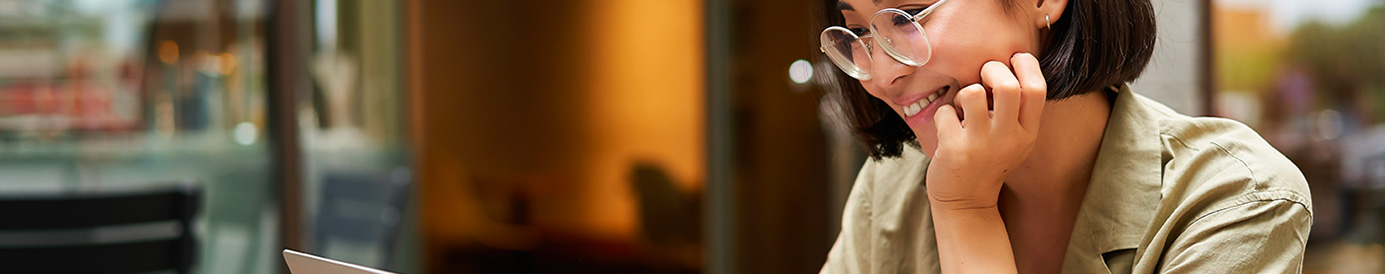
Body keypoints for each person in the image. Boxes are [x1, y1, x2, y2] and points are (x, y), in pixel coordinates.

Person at [815, 0, 1312, 273]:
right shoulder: (892, 190)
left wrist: (965, 211)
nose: (881, 74)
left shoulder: (1235, 199)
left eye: (909, 15)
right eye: (858, 31)